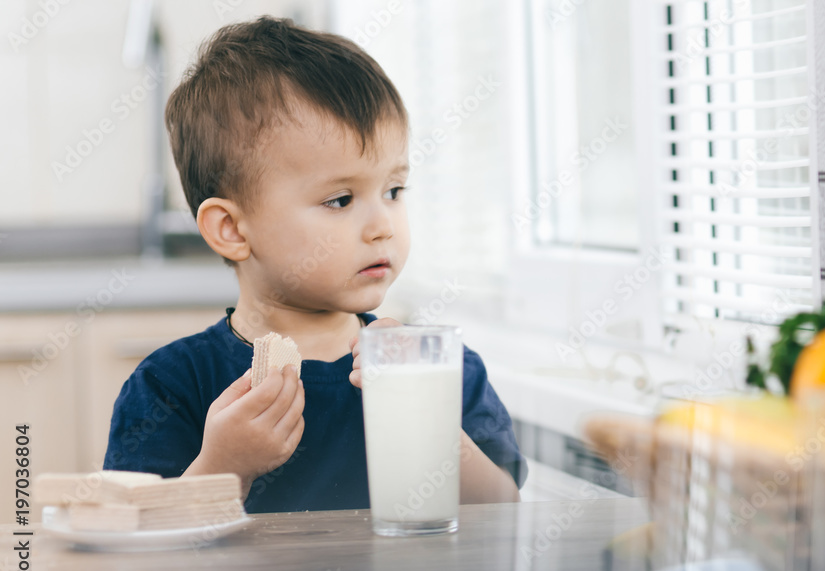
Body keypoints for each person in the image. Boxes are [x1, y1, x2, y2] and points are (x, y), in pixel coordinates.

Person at [104, 16, 524, 513]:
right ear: (232, 229)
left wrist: (429, 420)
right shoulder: (170, 385)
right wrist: (224, 467)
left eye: (393, 191)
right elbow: (135, 533)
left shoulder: (436, 368)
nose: (382, 226)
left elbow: (502, 512)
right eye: (340, 200)